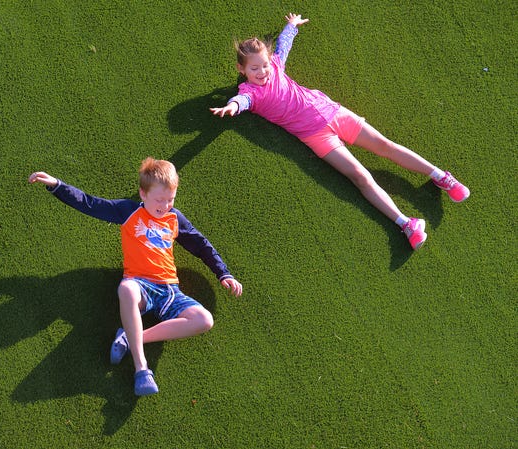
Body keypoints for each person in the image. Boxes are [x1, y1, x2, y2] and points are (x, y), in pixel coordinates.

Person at [210, 13, 470, 250]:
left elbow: (283, 46)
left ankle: (440, 176)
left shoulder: (276, 65)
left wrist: (291, 26)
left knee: (384, 146)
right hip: (316, 136)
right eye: (254, 69)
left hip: (334, 112)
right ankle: (407, 224)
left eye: (264, 65)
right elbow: (242, 102)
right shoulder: (249, 93)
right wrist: (231, 107)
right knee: (360, 175)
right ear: (241, 70)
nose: (262, 72)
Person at [28, 158, 243, 396]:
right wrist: (57, 185)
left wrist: (223, 272)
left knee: (204, 320)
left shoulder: (174, 218)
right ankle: (142, 369)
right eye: (159, 200)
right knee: (126, 290)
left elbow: (201, 244)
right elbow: (90, 204)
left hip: (170, 290)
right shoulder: (129, 211)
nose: (165, 205)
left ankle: (132, 338)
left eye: (171, 199)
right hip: (139, 284)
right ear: (143, 193)